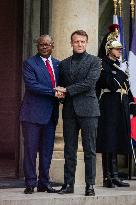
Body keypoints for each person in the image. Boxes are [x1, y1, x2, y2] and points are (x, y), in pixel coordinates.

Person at [55, 30, 101, 196]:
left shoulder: (95, 61)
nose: (79, 44)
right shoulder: (64, 64)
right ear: (71, 43)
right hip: (69, 111)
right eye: (76, 42)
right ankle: (68, 184)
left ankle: (90, 186)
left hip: (89, 110)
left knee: (89, 150)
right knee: (69, 149)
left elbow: (89, 84)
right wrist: (60, 94)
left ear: (86, 43)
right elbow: (60, 85)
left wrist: (66, 90)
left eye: (82, 41)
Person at [20, 35, 60, 194]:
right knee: (30, 150)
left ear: (52, 46)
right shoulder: (29, 63)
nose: (44, 47)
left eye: (47, 44)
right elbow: (32, 85)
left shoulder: (58, 64)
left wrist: (63, 93)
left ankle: (44, 182)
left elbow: (61, 85)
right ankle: (30, 183)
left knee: (47, 150)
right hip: (32, 114)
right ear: (37, 46)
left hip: (50, 115)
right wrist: (54, 92)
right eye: (41, 45)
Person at [96, 39, 136, 188]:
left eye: (120, 48)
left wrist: (132, 105)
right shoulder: (103, 64)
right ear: (108, 50)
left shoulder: (119, 65)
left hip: (121, 106)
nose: (120, 51)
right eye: (116, 49)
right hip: (109, 106)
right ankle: (108, 177)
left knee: (117, 139)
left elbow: (126, 87)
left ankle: (115, 175)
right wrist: (118, 72)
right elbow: (110, 85)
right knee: (109, 140)